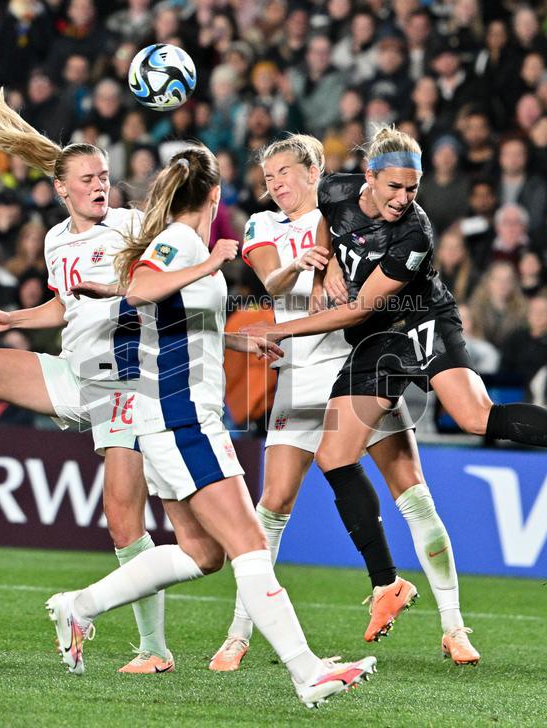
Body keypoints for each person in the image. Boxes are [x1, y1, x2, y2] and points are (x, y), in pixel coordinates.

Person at [240, 126, 547, 652]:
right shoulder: (335, 190)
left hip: (420, 320)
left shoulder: (415, 233)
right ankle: (388, 583)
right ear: (369, 178)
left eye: (412, 189)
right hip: (374, 342)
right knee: (334, 456)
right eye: (394, 188)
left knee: (476, 416)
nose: (403, 199)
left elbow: (362, 305)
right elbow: (326, 230)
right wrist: (325, 272)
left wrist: (277, 330)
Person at [45, 145, 376, 708]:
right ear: (216, 197)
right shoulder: (184, 241)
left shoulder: (179, 243)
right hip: (182, 419)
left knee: (203, 554)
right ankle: (307, 671)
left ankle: (77, 607)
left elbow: (158, 309)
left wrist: (236, 338)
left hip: (167, 416)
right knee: (249, 544)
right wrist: (212, 262)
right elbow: (147, 287)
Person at [0, 87, 173, 675]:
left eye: (104, 175)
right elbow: (64, 305)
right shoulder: (55, 240)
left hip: (124, 384)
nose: (100, 185)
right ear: (61, 189)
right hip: (73, 375)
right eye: (88, 178)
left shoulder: (132, 226)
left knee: (124, 522)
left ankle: (155, 650)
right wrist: (14, 318)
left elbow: (174, 259)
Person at [210, 134, 469, 672]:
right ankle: (238, 635)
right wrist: (300, 266)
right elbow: (267, 277)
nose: (275, 184)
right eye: (268, 178)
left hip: (360, 367)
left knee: (414, 493)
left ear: (313, 172)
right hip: (298, 377)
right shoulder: (264, 226)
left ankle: (454, 626)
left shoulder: (345, 209)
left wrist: (332, 266)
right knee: (272, 507)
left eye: (284, 172)